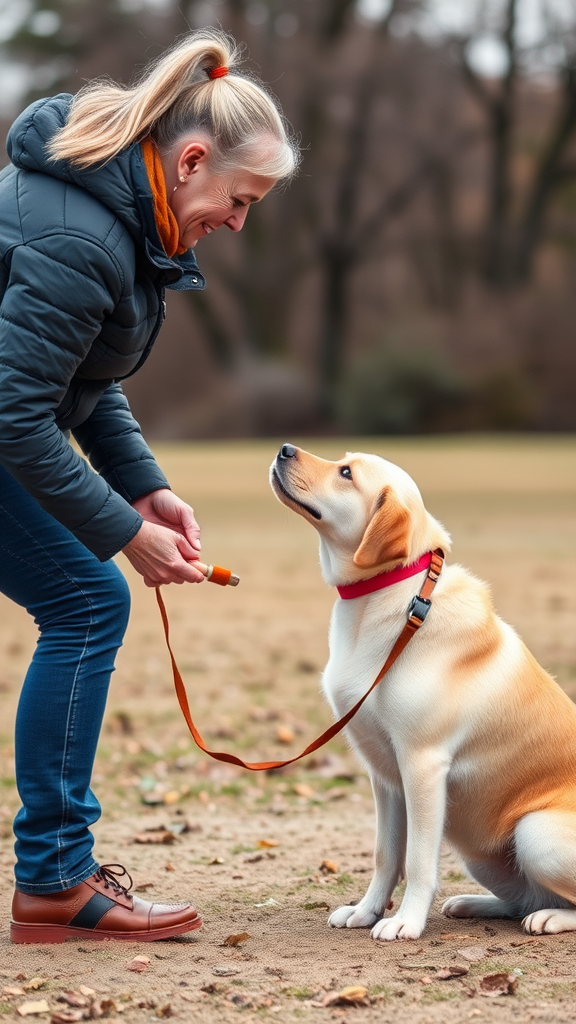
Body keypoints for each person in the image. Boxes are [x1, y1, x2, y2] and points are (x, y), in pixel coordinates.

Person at [0, 27, 299, 944]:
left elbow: (80, 385)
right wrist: (123, 538)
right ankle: (53, 881)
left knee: (85, 599)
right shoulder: (81, 234)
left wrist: (143, 489)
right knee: (90, 600)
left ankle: (55, 875)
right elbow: (16, 416)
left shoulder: (117, 215)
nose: (239, 222)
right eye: (239, 200)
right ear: (191, 160)